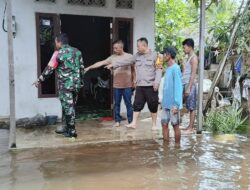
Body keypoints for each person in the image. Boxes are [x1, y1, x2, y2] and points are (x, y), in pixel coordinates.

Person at [33, 33, 84, 138]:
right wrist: (81, 82)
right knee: (70, 107)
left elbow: (49, 69)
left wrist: (39, 80)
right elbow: (82, 69)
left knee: (68, 108)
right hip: (76, 85)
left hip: (65, 86)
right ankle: (67, 128)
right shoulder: (78, 52)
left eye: (56, 42)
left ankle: (72, 132)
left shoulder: (58, 53)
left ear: (59, 42)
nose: (55, 44)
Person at [106, 37, 162, 130]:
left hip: (151, 86)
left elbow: (159, 69)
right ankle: (133, 123)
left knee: (153, 105)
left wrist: (157, 82)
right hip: (140, 86)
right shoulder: (137, 56)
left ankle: (154, 125)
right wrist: (114, 64)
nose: (137, 48)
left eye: (138, 46)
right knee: (137, 105)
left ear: (144, 45)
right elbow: (126, 61)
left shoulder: (156, 55)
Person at [84, 40, 135, 127]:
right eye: (113, 48)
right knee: (117, 104)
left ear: (121, 47)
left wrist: (134, 81)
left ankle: (131, 122)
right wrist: (89, 67)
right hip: (116, 85)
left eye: (116, 48)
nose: (114, 50)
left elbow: (134, 70)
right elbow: (101, 62)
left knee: (129, 104)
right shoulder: (112, 57)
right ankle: (117, 121)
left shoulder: (129, 56)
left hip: (127, 85)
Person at [161, 47, 183, 144]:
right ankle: (166, 149)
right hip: (165, 103)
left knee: (175, 125)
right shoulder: (168, 68)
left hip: (173, 104)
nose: (163, 56)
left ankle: (177, 148)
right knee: (164, 125)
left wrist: (176, 104)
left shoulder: (175, 68)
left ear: (169, 55)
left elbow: (178, 87)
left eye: (164, 54)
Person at [181, 38, 198, 134]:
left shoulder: (194, 58)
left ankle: (191, 128)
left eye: (184, 47)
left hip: (190, 84)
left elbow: (193, 74)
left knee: (192, 107)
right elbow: (186, 72)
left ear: (190, 47)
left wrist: (188, 87)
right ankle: (188, 127)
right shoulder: (188, 57)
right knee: (188, 106)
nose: (184, 49)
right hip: (186, 83)